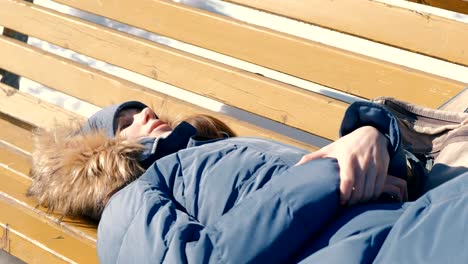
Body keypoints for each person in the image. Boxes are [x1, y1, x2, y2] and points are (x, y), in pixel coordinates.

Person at [27, 100, 468, 263]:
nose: (143, 113)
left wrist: (368, 136)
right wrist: (330, 171)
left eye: (138, 108)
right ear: (98, 155)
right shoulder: (126, 205)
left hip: (394, 218)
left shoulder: (197, 156)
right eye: (124, 122)